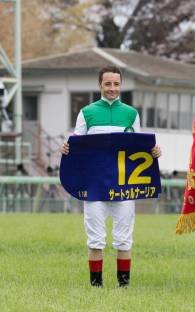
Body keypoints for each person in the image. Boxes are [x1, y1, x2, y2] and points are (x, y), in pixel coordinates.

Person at [60, 66, 162, 288]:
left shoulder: (131, 114)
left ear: (120, 85)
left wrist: (154, 152)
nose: (112, 88)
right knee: (95, 239)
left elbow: (140, 148)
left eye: (116, 84)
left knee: (124, 239)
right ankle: (96, 287)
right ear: (100, 85)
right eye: (108, 84)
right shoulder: (87, 113)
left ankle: (122, 286)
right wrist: (66, 148)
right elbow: (77, 144)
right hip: (95, 186)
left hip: (124, 186)